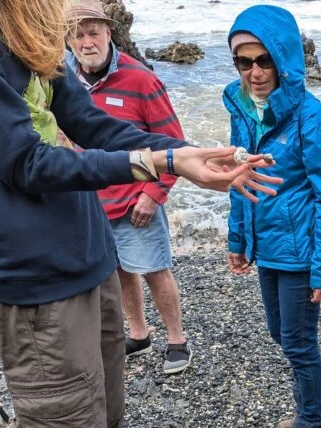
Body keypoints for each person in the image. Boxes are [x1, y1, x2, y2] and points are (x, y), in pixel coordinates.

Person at [0, 0, 280, 428]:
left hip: (92, 254)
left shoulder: (23, 12)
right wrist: (158, 162)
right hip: (35, 276)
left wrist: (188, 153)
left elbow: (89, 122)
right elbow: (21, 160)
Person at [223, 5, 321, 428]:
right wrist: (238, 240)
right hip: (268, 247)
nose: (255, 73)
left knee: (298, 341)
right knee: (283, 334)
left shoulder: (310, 118)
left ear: (284, 58)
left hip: (300, 253)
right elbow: (239, 178)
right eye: (244, 61)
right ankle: (314, 405)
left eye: (264, 60)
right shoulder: (243, 111)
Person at [65, 0, 191, 374]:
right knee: (119, 271)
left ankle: (177, 340)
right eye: (78, 35)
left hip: (137, 200)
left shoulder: (141, 79)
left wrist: (153, 196)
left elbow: (173, 143)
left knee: (155, 269)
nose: (87, 43)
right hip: (91, 202)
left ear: (109, 33)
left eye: (93, 33)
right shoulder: (63, 80)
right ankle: (138, 333)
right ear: (68, 41)